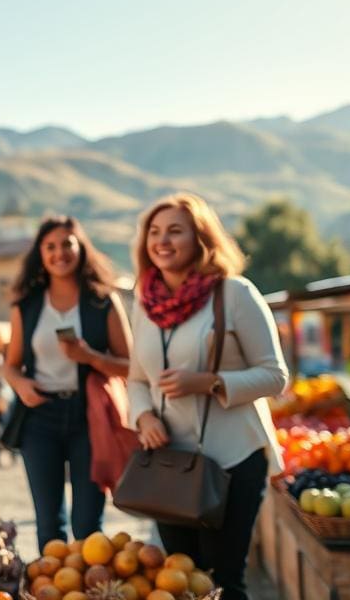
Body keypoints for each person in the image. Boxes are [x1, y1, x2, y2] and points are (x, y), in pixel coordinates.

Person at [127, 193, 289, 600]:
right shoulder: (143, 303)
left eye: (175, 231)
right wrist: (144, 417)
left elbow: (275, 376)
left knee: (223, 581)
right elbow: (136, 379)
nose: (162, 241)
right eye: (154, 232)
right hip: (170, 465)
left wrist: (210, 382)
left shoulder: (235, 294)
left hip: (233, 461)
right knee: (180, 580)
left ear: (201, 239)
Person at [3, 216, 132, 552]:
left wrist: (90, 356)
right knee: (49, 524)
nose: (59, 252)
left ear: (81, 249)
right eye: (50, 247)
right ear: (41, 255)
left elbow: (131, 366)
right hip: (39, 416)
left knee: (88, 524)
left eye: (67, 244)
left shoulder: (103, 301)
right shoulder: (27, 305)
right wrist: (21, 387)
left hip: (90, 417)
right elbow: (11, 365)